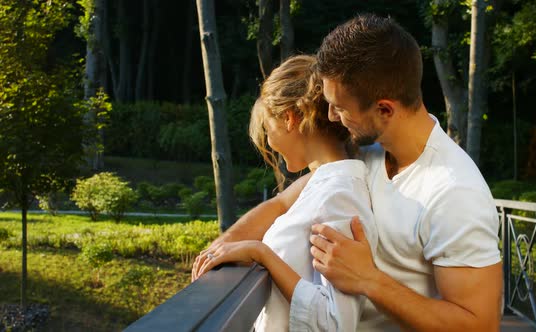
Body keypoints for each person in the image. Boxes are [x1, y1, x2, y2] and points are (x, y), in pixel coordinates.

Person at [195, 14, 502, 331]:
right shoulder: (365, 151)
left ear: (384, 109)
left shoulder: (454, 192)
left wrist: (371, 280)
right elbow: (284, 204)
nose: (330, 116)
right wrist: (219, 252)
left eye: (339, 108)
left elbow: (480, 325)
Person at [192, 55, 377, 331]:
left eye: (267, 129)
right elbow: (278, 204)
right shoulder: (323, 183)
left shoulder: (339, 194)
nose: (269, 142)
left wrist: (261, 252)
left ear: (289, 119)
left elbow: (335, 323)